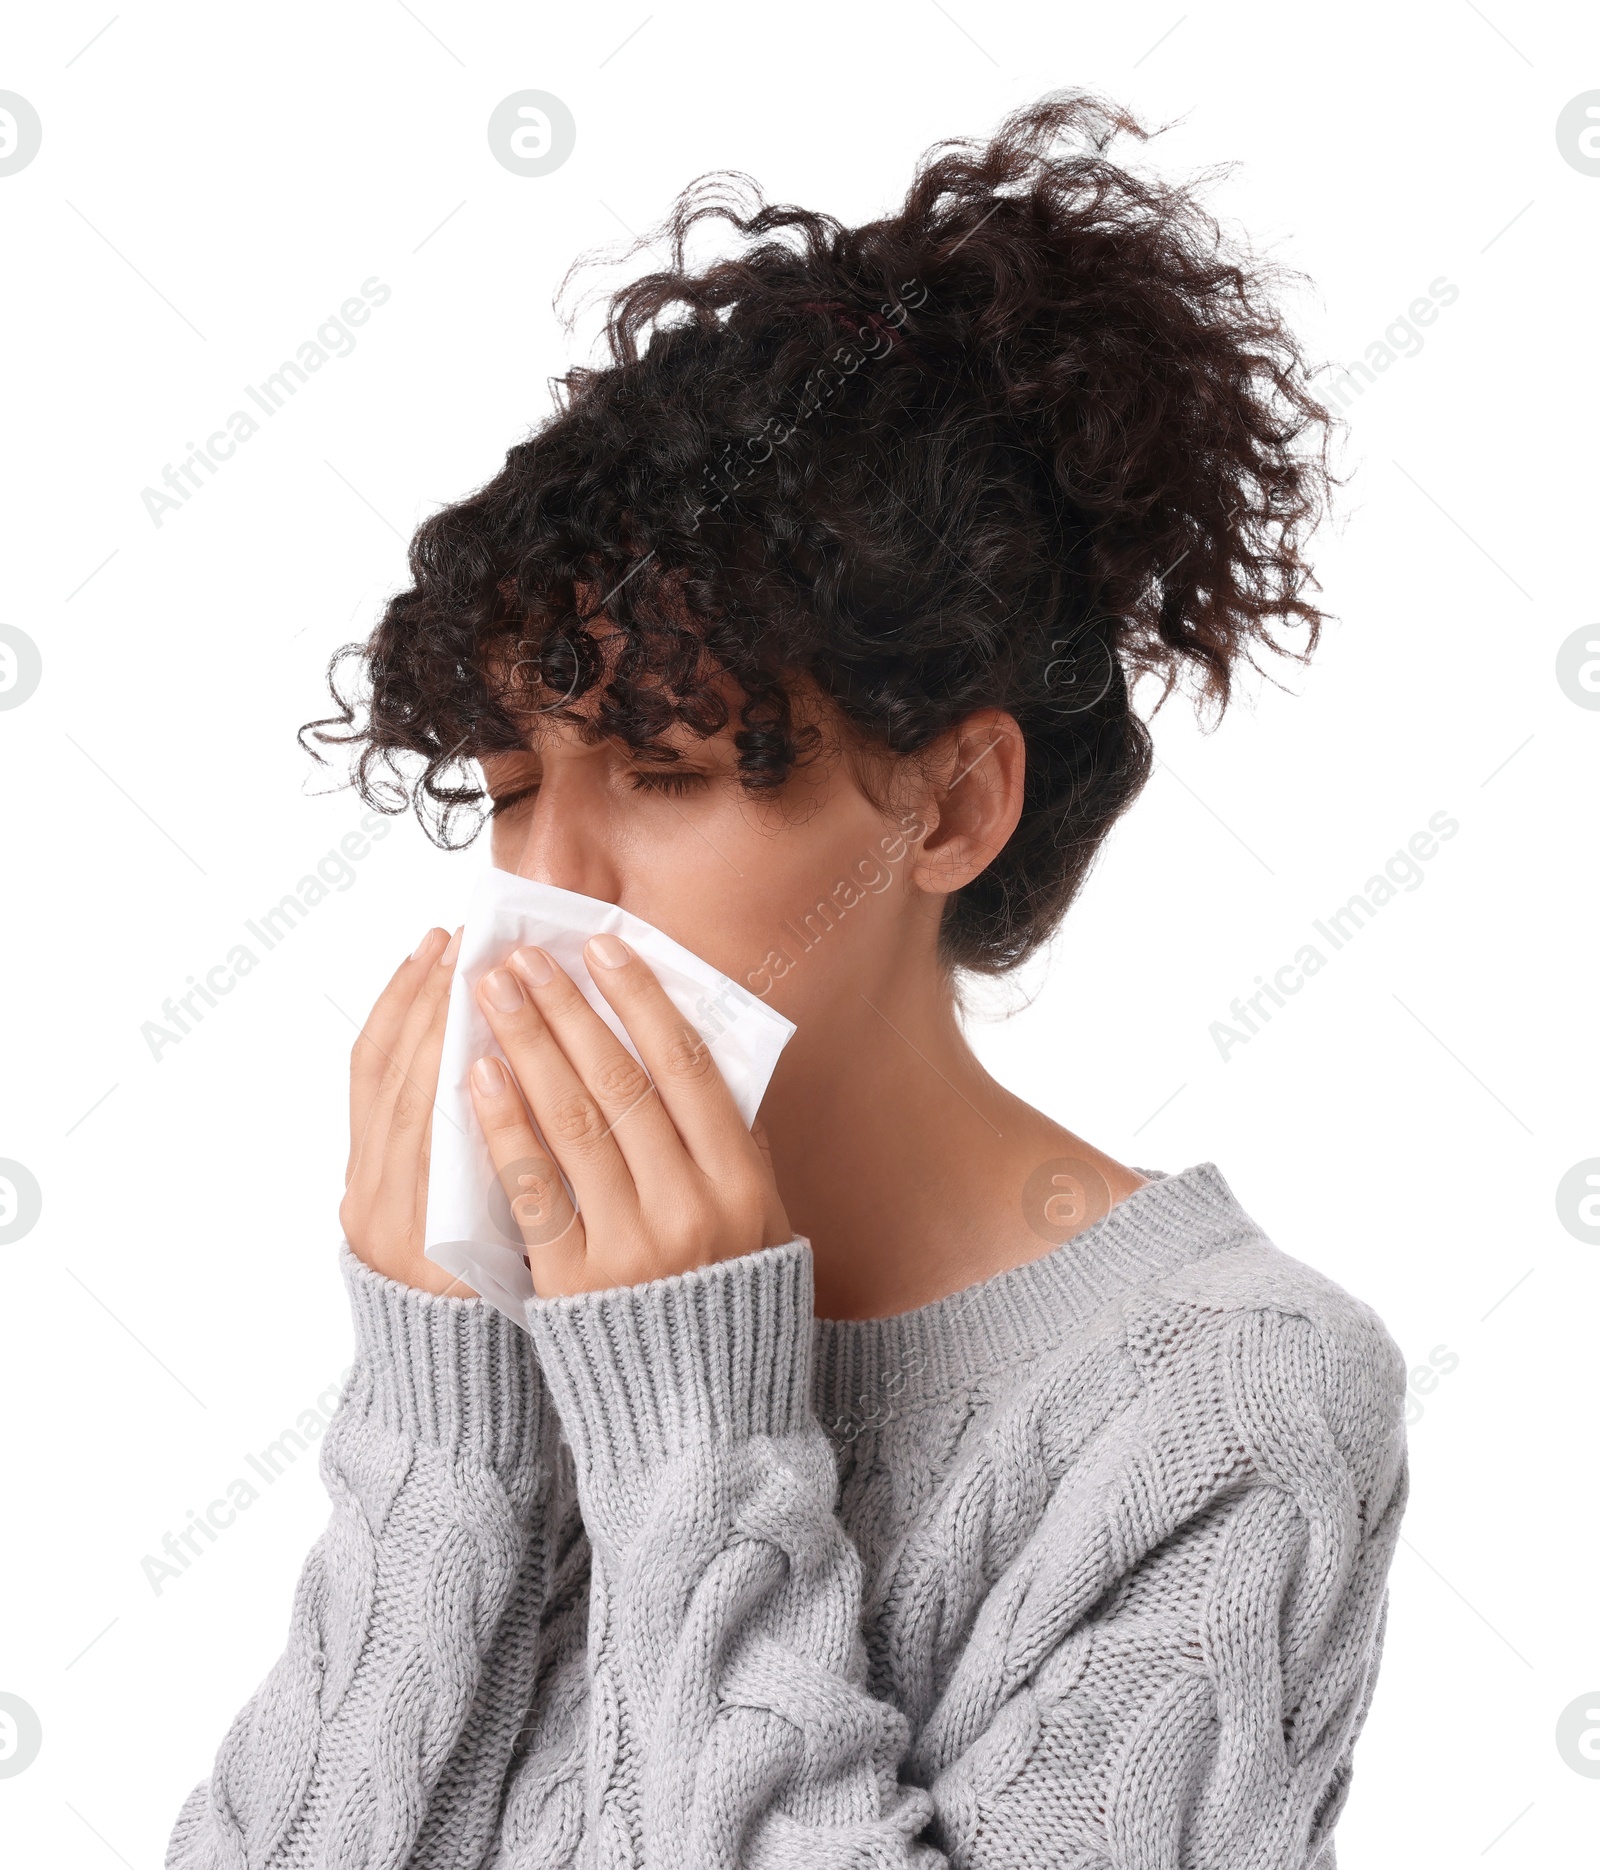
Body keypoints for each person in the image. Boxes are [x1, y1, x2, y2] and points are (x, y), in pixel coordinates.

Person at [166, 91, 1408, 1868]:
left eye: (664, 776)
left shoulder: (1232, 1402)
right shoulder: (525, 1321)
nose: (557, 883)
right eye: (515, 793)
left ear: (951, 802)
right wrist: (439, 1428)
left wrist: (692, 1427)